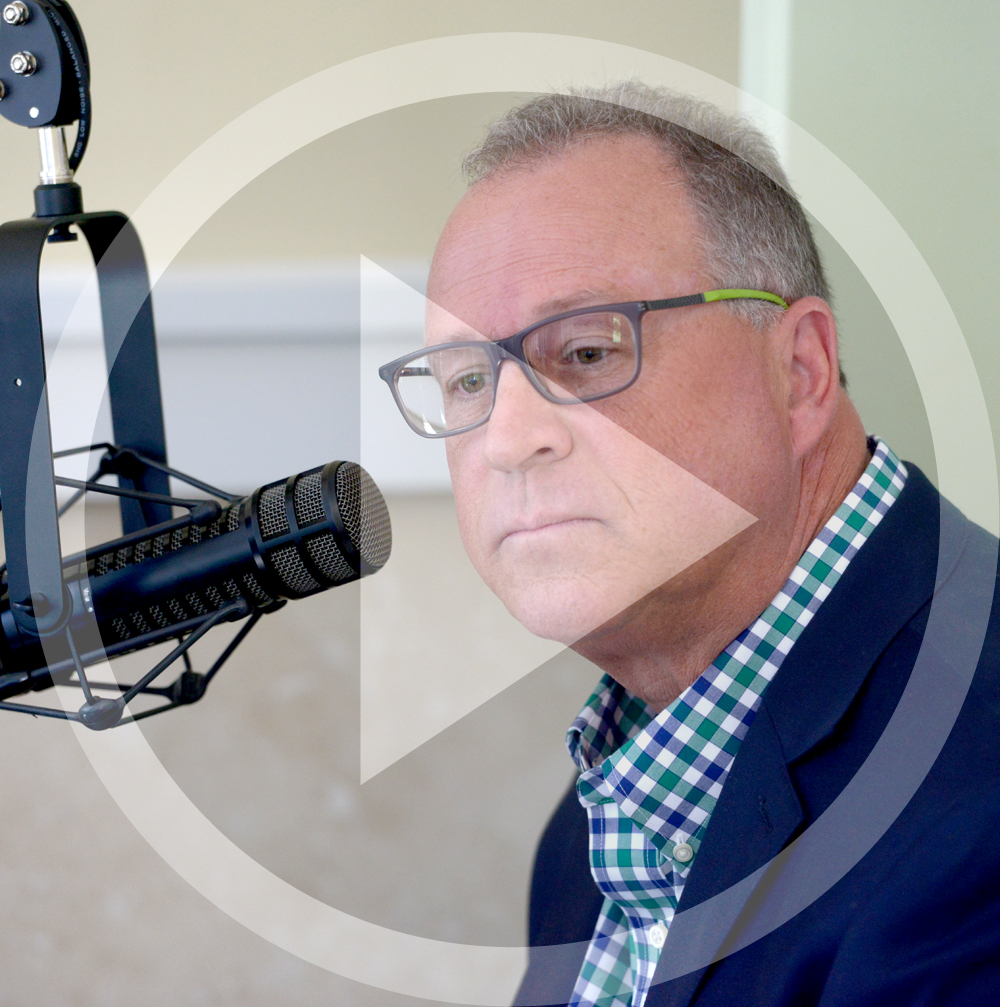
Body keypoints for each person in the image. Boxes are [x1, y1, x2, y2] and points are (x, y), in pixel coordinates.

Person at [378, 82, 1000, 1007]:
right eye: (468, 380)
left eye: (586, 352)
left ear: (799, 372)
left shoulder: (974, 808)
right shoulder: (596, 823)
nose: (507, 439)